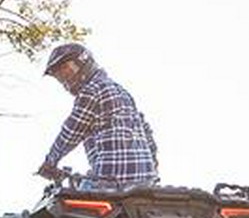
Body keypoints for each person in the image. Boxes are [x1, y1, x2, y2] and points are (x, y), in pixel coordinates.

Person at [36, 43, 159, 187]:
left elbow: (71, 132)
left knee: (61, 197)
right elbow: (148, 135)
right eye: (60, 76)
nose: (65, 80)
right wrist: (152, 170)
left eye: (67, 71)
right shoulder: (121, 91)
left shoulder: (92, 90)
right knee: (84, 181)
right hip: (144, 182)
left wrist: (50, 162)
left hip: (113, 179)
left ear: (83, 63)